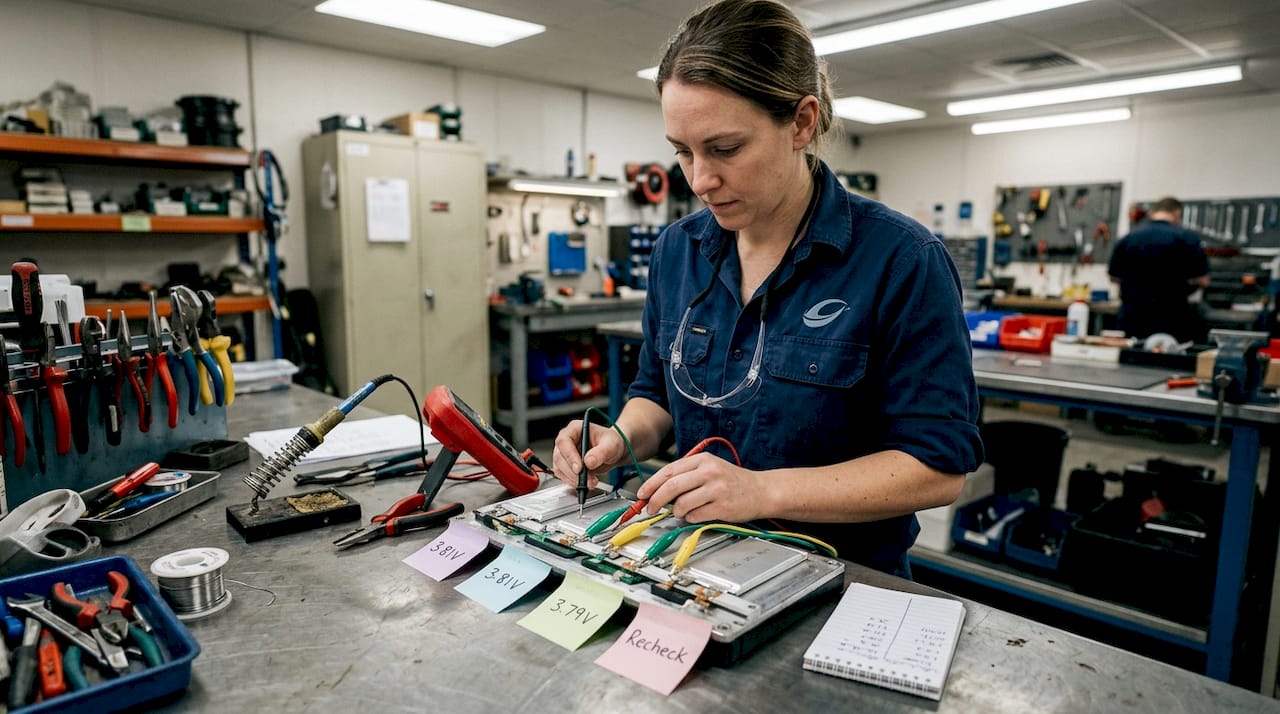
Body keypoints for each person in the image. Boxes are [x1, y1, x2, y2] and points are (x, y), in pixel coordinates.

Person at [550, 0, 983, 577]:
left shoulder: (902, 261)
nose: (701, 180)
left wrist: (762, 492)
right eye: (682, 151)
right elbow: (657, 390)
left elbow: (938, 466)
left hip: (841, 579)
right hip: (688, 561)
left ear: (802, 122)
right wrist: (618, 439)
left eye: (725, 149)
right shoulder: (678, 251)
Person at [1108, 197, 1210, 344]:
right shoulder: (1186, 238)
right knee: (1168, 362)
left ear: (1152, 213)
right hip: (1172, 317)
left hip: (1133, 317)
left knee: (1130, 361)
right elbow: (1203, 280)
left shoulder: (1128, 238)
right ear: (1177, 213)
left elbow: (1114, 277)